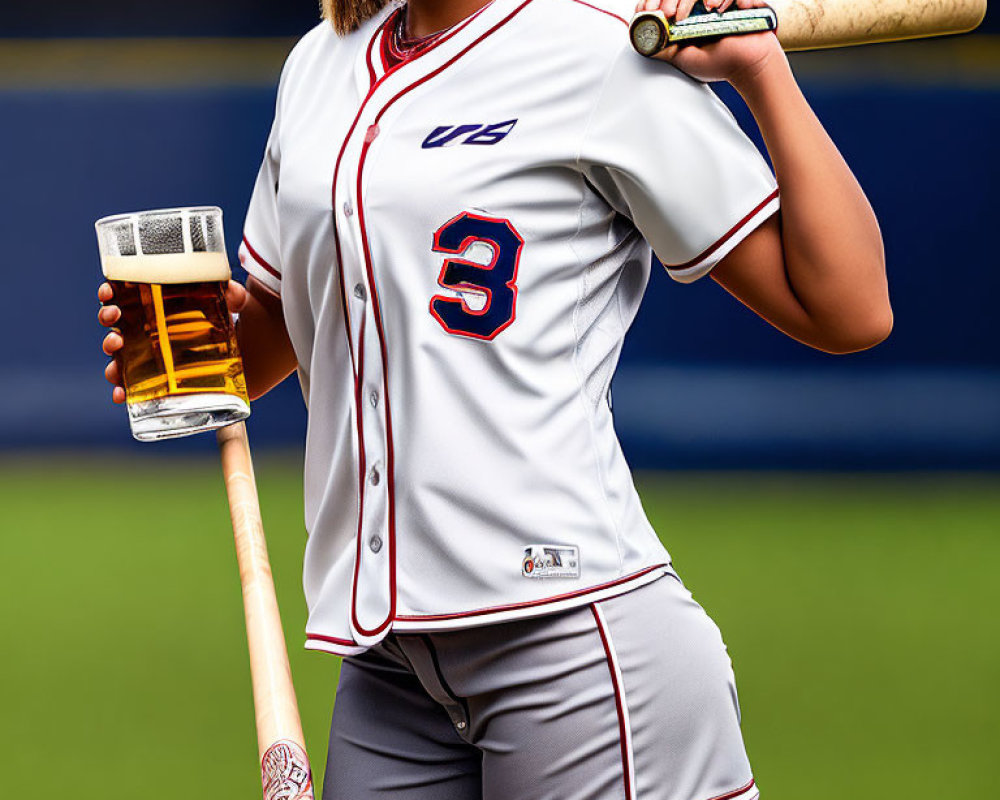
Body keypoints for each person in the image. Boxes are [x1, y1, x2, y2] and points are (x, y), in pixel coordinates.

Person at [98, 0, 891, 797]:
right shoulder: (319, 64)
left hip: (571, 637)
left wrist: (763, 74)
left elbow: (850, 307)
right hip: (391, 666)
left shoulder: (601, 49)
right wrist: (182, 348)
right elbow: (278, 327)